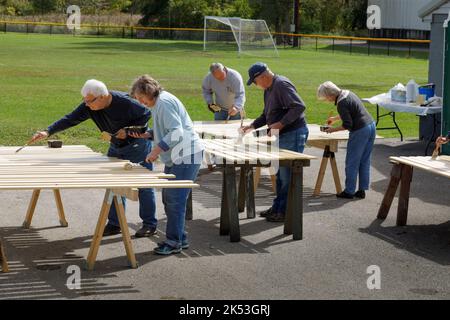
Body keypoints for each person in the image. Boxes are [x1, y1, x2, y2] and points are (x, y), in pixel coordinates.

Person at [30, 79, 157, 237]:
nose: (87, 105)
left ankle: (149, 224)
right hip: (115, 145)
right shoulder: (89, 105)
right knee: (113, 183)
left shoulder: (126, 103)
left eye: (90, 101)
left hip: (137, 146)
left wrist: (128, 130)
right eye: (85, 101)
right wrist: (48, 131)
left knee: (144, 183)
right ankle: (115, 223)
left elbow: (146, 113)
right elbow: (71, 118)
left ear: (103, 96)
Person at [130, 75, 204, 255]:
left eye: (141, 98)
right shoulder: (158, 103)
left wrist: (156, 150)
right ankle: (180, 238)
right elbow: (166, 129)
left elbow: (177, 132)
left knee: (174, 200)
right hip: (177, 156)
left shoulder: (163, 103)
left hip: (186, 154)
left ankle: (173, 242)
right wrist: (147, 134)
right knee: (169, 198)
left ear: (148, 92)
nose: (141, 102)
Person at [241, 63, 309, 223]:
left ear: (262, 76)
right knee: (279, 174)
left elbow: (299, 106)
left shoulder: (281, 85)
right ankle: (278, 207)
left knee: (287, 176)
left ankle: (285, 211)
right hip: (282, 134)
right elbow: (267, 114)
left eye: (255, 81)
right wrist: (252, 126)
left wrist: (280, 124)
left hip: (293, 133)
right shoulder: (269, 89)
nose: (256, 85)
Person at [317, 81, 376, 200]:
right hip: (371, 126)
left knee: (352, 162)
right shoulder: (348, 93)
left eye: (326, 98)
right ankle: (361, 190)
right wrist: (335, 118)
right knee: (364, 161)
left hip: (360, 130)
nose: (327, 100)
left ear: (329, 95)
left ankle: (349, 191)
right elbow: (352, 111)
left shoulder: (341, 103)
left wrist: (332, 130)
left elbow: (348, 125)